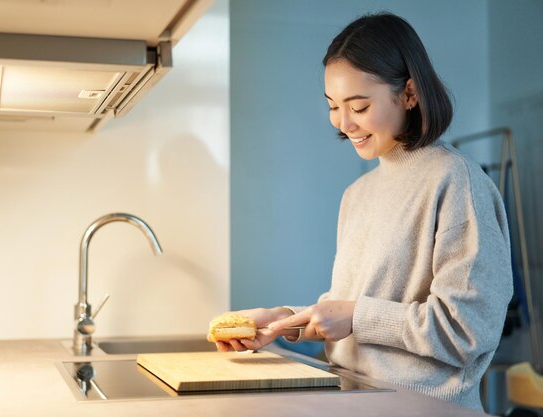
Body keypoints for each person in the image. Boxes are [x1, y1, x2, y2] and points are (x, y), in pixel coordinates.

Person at [216, 12, 513, 411]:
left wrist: (357, 317)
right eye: (334, 106)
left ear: (409, 93)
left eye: (358, 106)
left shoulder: (456, 181)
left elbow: (467, 331)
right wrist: (281, 320)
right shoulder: (358, 193)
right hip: (355, 403)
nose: (343, 123)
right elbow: (349, 306)